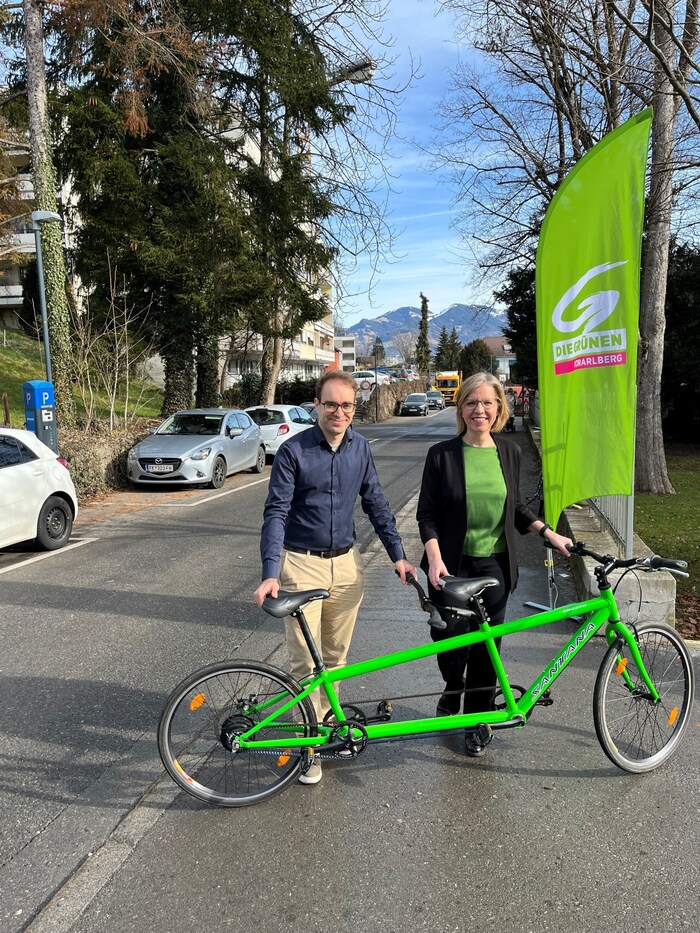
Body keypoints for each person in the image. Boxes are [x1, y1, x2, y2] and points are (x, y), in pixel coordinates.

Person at [254, 369, 416, 785]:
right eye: (331, 404)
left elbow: (377, 502)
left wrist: (398, 554)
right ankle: (310, 749)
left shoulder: (360, 448)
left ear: (353, 408)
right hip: (301, 564)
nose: (339, 412)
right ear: (317, 406)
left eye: (346, 405)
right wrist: (270, 573)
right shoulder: (293, 452)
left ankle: (327, 733)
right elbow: (276, 512)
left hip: (346, 566)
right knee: (306, 664)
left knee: (335, 661)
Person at [416, 372, 572, 757]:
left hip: (495, 567)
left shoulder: (509, 452)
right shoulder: (442, 454)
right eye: (471, 402)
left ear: (499, 408)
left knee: (487, 647)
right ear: (461, 407)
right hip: (450, 566)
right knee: (449, 641)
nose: (479, 410)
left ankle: (478, 720)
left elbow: (516, 508)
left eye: (487, 403)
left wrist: (549, 533)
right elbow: (427, 515)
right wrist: (434, 558)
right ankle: (454, 687)